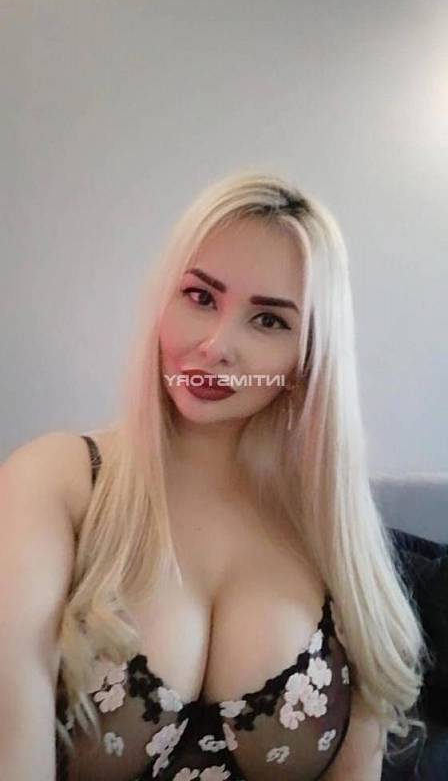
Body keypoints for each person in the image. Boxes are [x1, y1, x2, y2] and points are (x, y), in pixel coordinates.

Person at [0, 171, 431, 780]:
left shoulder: (333, 537)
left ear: (307, 357)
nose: (215, 346)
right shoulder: (57, 483)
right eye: (201, 297)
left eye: (269, 321)